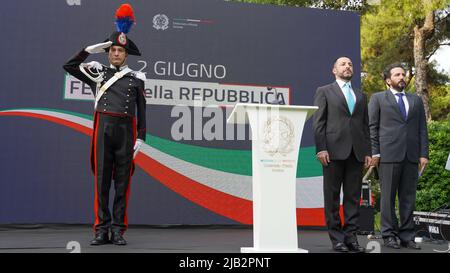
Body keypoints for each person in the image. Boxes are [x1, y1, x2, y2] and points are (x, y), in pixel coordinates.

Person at [63, 4, 146, 246]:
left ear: (126, 54)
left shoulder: (137, 78)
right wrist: (88, 50)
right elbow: (68, 66)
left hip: (126, 131)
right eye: (112, 50)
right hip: (104, 127)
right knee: (101, 182)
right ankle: (101, 229)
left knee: (122, 182)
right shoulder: (97, 73)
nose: (116, 53)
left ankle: (118, 229)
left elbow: (143, 111)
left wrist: (141, 137)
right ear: (107, 53)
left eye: (120, 50)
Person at [313, 56, 371, 253]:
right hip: (332, 152)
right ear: (334, 70)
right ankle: (337, 239)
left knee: (353, 198)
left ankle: (351, 238)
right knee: (332, 197)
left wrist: (368, 151)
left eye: (350, 64)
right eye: (343, 64)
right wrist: (321, 148)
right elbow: (318, 122)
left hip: (356, 153)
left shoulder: (360, 94)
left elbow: (365, 125)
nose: (347, 66)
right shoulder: (324, 91)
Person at [368, 62, 429, 250]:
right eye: (397, 75)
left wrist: (423, 154)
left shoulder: (416, 100)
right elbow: (373, 128)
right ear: (388, 80)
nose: (401, 77)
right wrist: (375, 152)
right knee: (387, 199)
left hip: (411, 156)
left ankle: (407, 236)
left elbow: (422, 129)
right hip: (388, 155)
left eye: (403, 74)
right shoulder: (378, 99)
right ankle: (389, 235)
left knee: (408, 198)